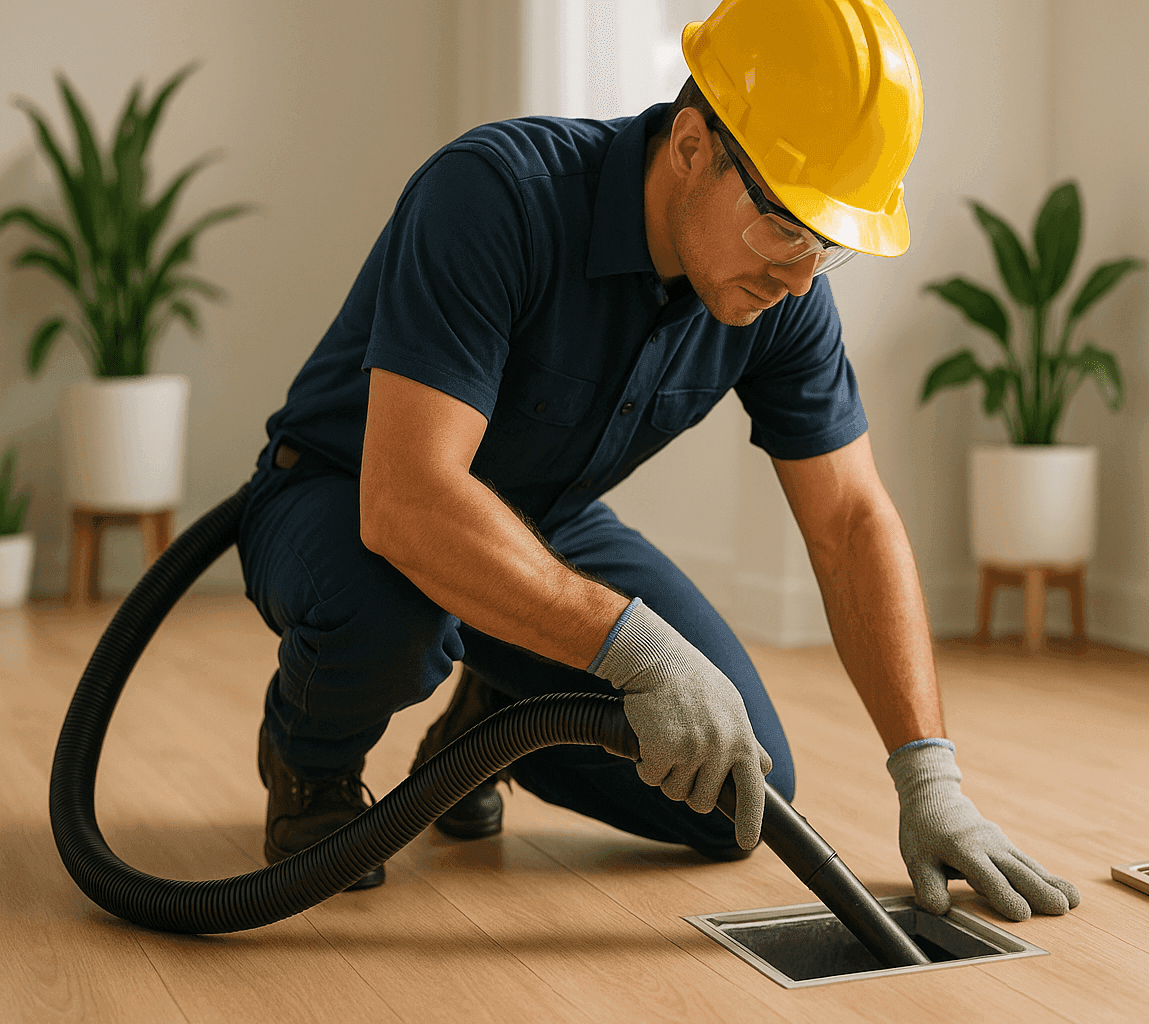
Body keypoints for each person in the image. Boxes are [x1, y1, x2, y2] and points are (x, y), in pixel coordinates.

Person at [239, 0, 1080, 920]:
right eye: (788, 225)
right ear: (690, 145)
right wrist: (634, 648)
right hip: (340, 497)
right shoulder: (494, 196)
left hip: (542, 521)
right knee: (397, 615)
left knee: (741, 792)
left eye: (827, 245)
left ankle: (497, 715)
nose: (801, 276)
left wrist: (929, 777)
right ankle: (308, 763)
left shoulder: (781, 292)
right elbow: (407, 502)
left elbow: (849, 520)